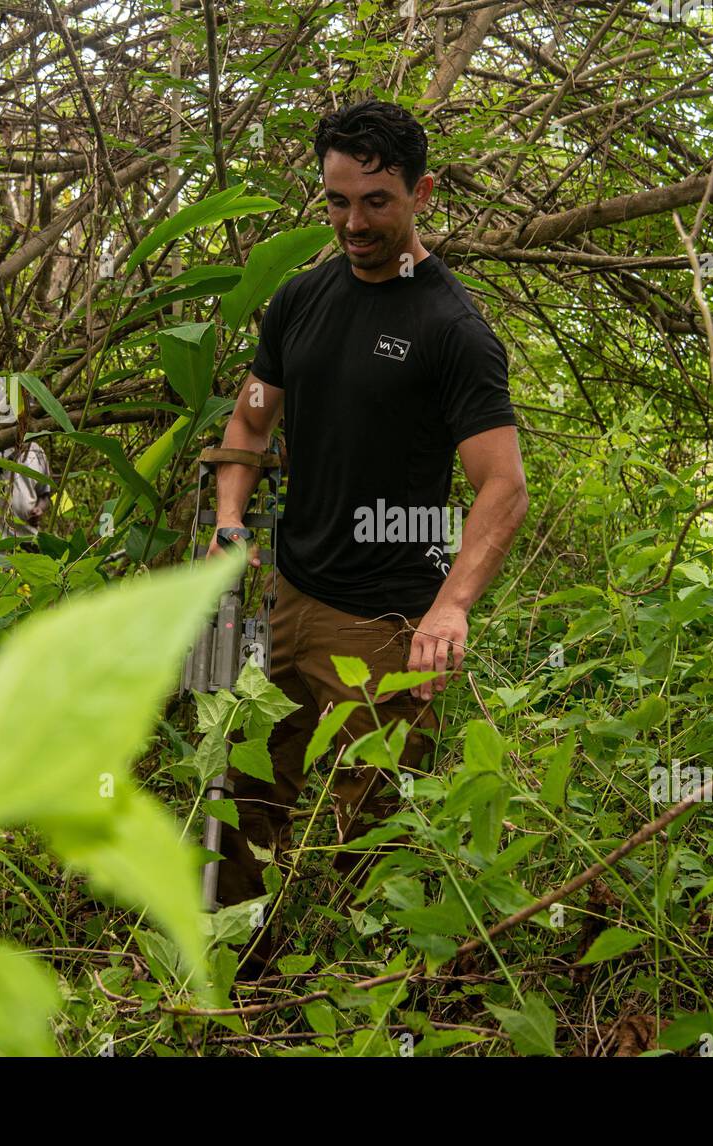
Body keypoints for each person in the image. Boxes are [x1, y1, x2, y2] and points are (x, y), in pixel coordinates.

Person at [206, 99, 528, 969]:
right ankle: (226, 982)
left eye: (377, 202)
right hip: (288, 600)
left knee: (367, 835)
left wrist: (452, 608)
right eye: (337, 201)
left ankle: (342, 999)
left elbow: (503, 486)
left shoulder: (451, 329)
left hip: (386, 629)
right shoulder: (300, 300)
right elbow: (250, 423)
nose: (354, 223)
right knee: (245, 804)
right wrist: (231, 521)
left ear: (420, 194)